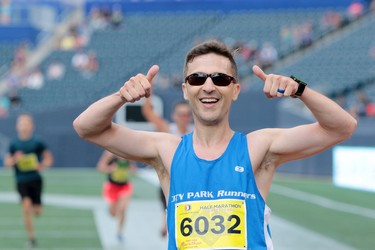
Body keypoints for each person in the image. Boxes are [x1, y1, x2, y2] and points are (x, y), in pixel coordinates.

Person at [73, 40, 357, 249]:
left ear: (235, 90)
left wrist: (299, 89)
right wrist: (121, 96)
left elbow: (341, 127)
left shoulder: (258, 148)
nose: (208, 86)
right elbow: (86, 127)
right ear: (185, 89)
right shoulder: (167, 151)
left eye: (220, 78)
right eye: (197, 78)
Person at [142, 96, 194, 237]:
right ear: (174, 116)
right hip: (170, 180)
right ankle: (166, 224)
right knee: (170, 208)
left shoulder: (195, 132)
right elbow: (148, 113)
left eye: (187, 114)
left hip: (190, 181)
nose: (184, 117)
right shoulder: (168, 129)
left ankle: (168, 225)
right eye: (181, 114)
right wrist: (148, 94)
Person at [4, 113, 54, 248]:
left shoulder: (37, 142)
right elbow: (7, 163)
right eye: (21, 123)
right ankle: (32, 239)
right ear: (17, 126)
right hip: (21, 181)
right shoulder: (14, 143)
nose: (23, 126)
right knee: (26, 207)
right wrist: (15, 159)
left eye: (26, 123)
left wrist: (41, 166)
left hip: (35, 180)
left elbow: (49, 159)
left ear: (32, 126)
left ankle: (36, 206)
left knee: (37, 212)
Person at [96, 150, 136, 242]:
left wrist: (132, 169)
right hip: (112, 186)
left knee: (123, 210)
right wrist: (110, 169)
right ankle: (110, 210)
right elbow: (100, 168)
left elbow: (133, 170)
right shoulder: (109, 154)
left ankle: (119, 233)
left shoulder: (128, 155)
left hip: (124, 186)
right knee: (113, 214)